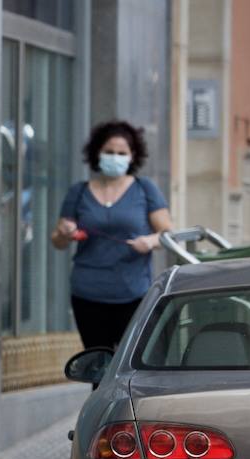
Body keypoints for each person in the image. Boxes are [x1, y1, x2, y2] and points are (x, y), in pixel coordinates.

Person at [52, 120, 174, 349]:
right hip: (87, 293)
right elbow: (57, 240)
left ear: (132, 156)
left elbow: (168, 234)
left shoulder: (145, 189)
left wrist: (149, 241)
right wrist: (65, 233)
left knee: (133, 361)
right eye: (109, 152)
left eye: (121, 152)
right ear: (97, 153)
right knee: (97, 362)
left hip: (134, 293)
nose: (115, 157)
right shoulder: (78, 192)